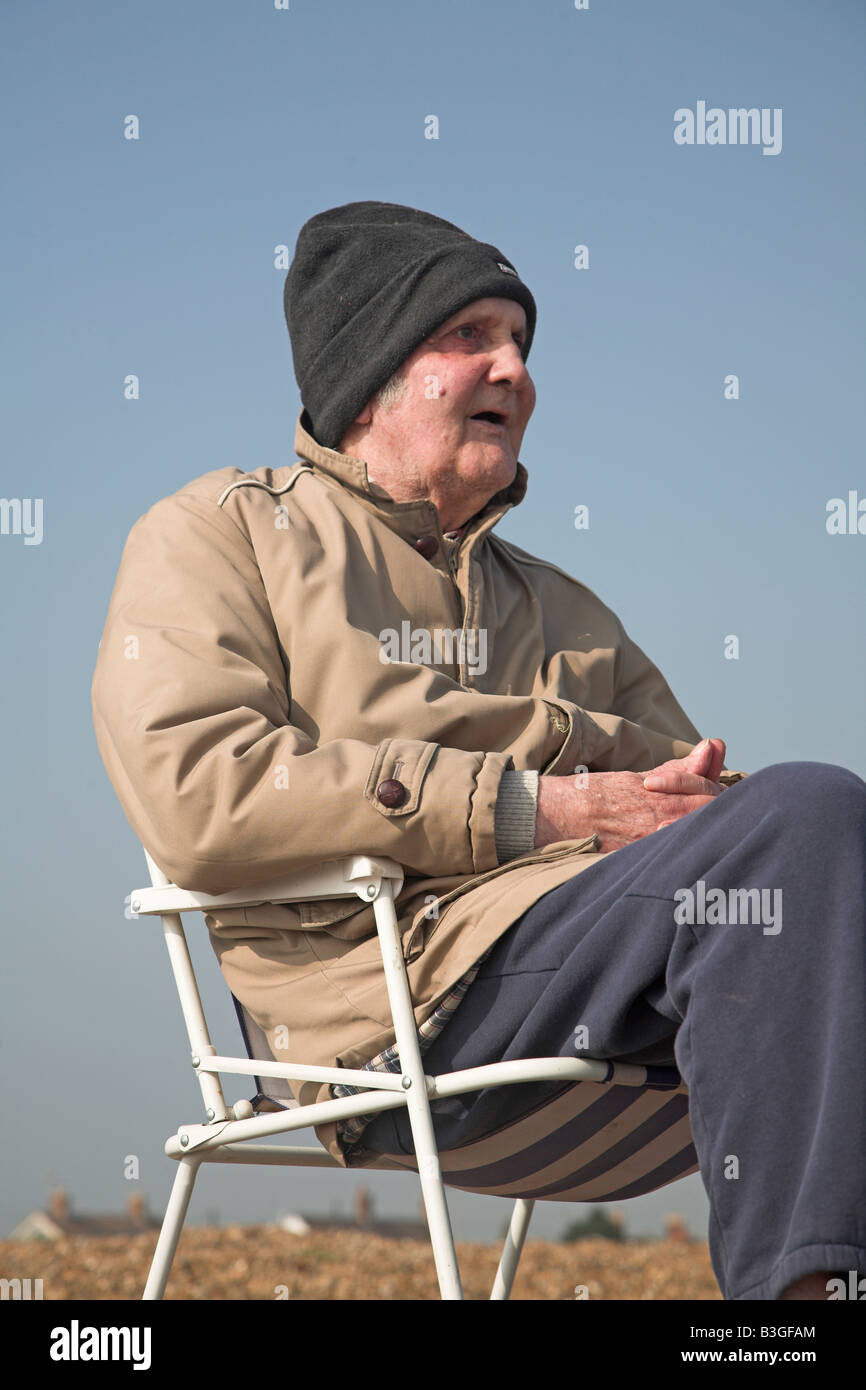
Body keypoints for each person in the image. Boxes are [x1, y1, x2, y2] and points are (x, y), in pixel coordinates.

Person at [91, 201, 866, 1301]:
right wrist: (538, 800)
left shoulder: (563, 605)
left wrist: (638, 793)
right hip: (388, 1011)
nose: (514, 366)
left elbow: (718, 820)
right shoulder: (219, 533)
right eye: (470, 336)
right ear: (367, 374)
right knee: (808, 816)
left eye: (521, 341)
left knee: (813, 838)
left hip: (582, 985)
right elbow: (198, 793)